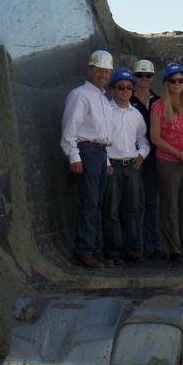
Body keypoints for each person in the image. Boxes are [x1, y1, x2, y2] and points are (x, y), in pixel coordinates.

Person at [60, 49, 115, 269]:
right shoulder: (80, 95)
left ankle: (96, 250)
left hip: (100, 154)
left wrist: (107, 161)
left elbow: (103, 134)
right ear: (90, 70)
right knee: (90, 203)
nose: (103, 75)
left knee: (98, 204)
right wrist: (73, 155)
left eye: (107, 71)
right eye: (99, 70)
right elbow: (69, 129)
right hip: (87, 153)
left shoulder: (103, 99)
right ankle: (84, 251)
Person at [150, 62, 183, 263]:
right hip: (167, 161)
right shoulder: (158, 106)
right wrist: (178, 153)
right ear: (166, 83)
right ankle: (175, 249)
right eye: (173, 81)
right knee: (169, 205)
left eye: (180, 81)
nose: (177, 84)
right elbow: (156, 137)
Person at [103, 68, 150, 265]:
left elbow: (143, 140)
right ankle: (113, 251)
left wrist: (141, 154)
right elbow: (99, 141)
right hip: (112, 166)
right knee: (111, 210)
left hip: (131, 166)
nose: (125, 91)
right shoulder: (104, 112)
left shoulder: (136, 115)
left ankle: (132, 250)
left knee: (133, 209)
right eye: (120, 87)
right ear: (113, 88)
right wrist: (106, 162)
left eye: (129, 87)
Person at [130, 59, 165, 260]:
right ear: (135, 77)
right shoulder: (126, 97)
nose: (143, 78)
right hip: (132, 157)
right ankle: (134, 246)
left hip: (154, 158)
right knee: (134, 203)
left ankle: (151, 246)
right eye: (140, 75)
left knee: (152, 201)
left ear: (152, 77)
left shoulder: (158, 102)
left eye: (147, 75)